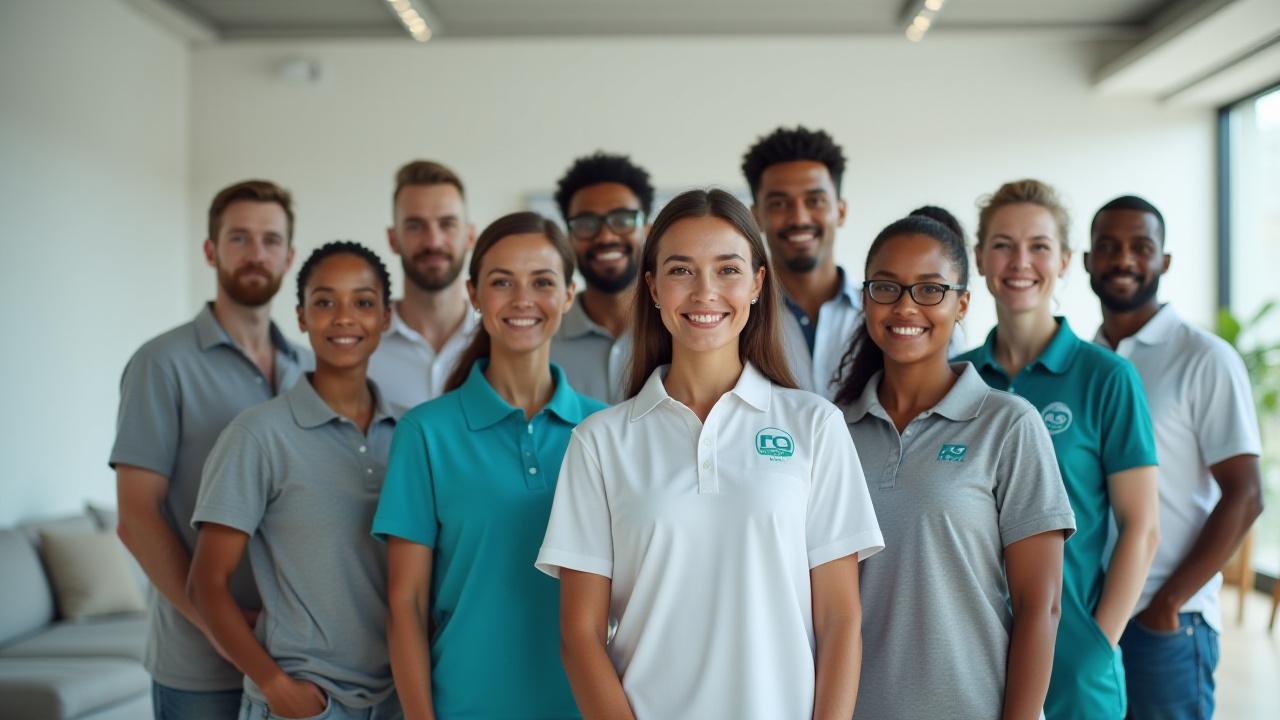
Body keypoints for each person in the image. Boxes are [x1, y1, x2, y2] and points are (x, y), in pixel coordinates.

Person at [536, 189, 883, 719]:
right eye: (681, 270)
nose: (705, 292)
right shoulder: (600, 441)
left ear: (757, 283)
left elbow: (839, 619)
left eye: (727, 269)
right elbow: (580, 636)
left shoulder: (815, 425)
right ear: (651, 287)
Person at [837, 209, 1075, 720]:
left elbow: (1042, 607)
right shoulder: (830, 431)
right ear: (865, 298)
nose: (905, 306)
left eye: (930, 289)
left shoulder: (1008, 425)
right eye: (886, 287)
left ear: (963, 302)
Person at [373, 212, 605, 719]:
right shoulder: (425, 433)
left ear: (568, 295)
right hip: (467, 705)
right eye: (502, 282)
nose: (523, 299)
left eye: (542, 282)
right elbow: (406, 604)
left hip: (589, 708)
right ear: (474, 295)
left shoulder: (608, 431)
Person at [954, 180, 1161, 720]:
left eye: (1039, 246)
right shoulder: (960, 380)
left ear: (1065, 260)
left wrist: (1100, 644)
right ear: (979, 258)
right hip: (973, 653)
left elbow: (1141, 526)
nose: (1020, 261)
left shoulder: (1107, 377)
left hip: (1074, 664)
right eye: (1002, 244)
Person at [110, 179, 309, 719]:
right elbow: (135, 516)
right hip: (200, 665)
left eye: (271, 240)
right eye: (239, 238)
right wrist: (220, 630)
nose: (256, 254)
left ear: (290, 256)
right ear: (210, 250)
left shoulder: (312, 370)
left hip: (300, 659)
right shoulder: (162, 363)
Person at [189, 241, 400, 720]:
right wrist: (275, 685)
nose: (344, 317)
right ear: (302, 317)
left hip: (399, 700)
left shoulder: (415, 434)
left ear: (386, 317)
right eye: (325, 302)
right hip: (306, 704)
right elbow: (206, 583)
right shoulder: (257, 434)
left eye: (363, 302)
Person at [1086, 195, 1263, 720]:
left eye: (1141, 247)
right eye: (1109, 246)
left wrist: (1168, 604)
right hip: (1088, 617)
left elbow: (1247, 494)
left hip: (1165, 622)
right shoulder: (1082, 361)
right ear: (1086, 259)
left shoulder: (1204, 357)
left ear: (1164, 261)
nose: (1124, 259)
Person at [741, 126, 962, 400]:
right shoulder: (740, 320)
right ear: (756, 216)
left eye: (815, 201)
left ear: (841, 210)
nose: (799, 217)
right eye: (778, 204)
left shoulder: (890, 313)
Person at [369, 160, 479, 411]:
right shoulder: (362, 346)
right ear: (392, 239)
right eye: (415, 226)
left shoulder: (497, 339)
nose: (433, 241)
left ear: (470, 236)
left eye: (447, 224)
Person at [549, 152, 653, 404]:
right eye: (586, 223)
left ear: (648, 230)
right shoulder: (543, 337)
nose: (606, 237)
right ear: (568, 237)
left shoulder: (680, 329)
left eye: (623, 220)